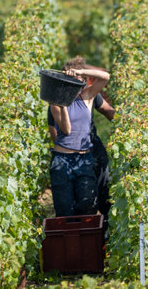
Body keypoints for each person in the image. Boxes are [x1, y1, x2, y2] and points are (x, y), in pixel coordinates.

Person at [49, 56, 110, 217]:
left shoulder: (88, 96)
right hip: (62, 160)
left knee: (88, 205)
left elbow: (105, 77)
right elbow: (66, 130)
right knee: (64, 210)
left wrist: (80, 71)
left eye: (78, 80)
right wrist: (63, 103)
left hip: (84, 159)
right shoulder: (56, 103)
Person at [48, 92, 114, 226]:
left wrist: (124, 125)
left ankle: (106, 227)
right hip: (70, 153)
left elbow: (108, 110)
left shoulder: (89, 94)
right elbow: (54, 132)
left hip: (93, 148)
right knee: (70, 202)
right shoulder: (57, 101)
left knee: (102, 192)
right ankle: (77, 230)